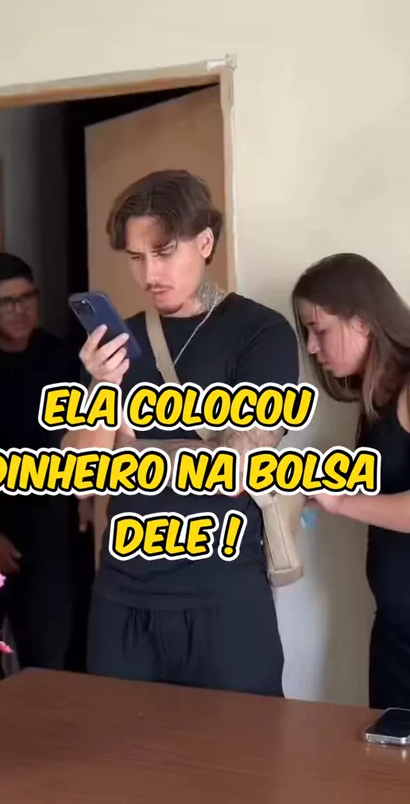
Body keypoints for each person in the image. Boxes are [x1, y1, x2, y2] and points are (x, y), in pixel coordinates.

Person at [63, 169, 300, 696]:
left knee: (241, 747)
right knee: (119, 748)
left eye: (164, 252)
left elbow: (241, 468)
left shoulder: (260, 334)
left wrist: (136, 448)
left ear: (205, 243)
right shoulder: (113, 349)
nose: (150, 273)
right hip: (122, 599)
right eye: (136, 257)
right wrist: (102, 390)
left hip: (224, 598)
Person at [292, 252, 410, 710]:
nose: (311, 347)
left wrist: (340, 502)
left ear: (362, 320)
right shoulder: (378, 396)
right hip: (395, 636)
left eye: (319, 329)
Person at [0, 252, 77, 678]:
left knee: (48, 657)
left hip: (49, 529)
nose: (20, 310)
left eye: (27, 298)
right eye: (7, 302)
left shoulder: (60, 357)